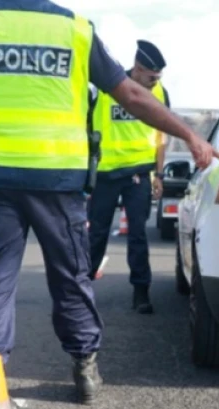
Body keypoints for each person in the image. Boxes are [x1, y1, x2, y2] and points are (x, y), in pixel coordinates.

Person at [0, 0, 219, 409]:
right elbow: (130, 93)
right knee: (70, 276)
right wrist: (190, 135)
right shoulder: (74, 29)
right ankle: (85, 367)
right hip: (57, 179)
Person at [87, 39, 171, 314]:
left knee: (138, 234)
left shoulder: (160, 92)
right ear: (136, 68)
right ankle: (82, 291)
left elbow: (161, 137)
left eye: (158, 77)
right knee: (96, 233)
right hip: (106, 172)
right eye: (151, 76)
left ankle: (141, 292)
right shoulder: (107, 86)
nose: (154, 82)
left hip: (138, 173)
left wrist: (158, 173)